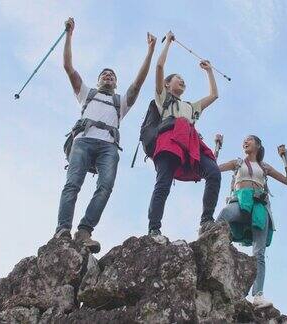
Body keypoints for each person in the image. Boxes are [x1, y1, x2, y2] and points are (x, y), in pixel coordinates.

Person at [55, 17, 157, 253]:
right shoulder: (87, 94)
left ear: (116, 82)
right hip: (83, 140)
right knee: (72, 184)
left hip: (108, 146)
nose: (108, 77)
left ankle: (84, 231)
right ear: (99, 79)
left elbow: (138, 83)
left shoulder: (120, 102)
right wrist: (69, 35)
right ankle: (62, 230)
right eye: (105, 75)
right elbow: (68, 68)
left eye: (112, 76)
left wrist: (150, 51)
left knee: (105, 187)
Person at [147, 31, 221, 237]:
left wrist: (209, 71)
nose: (182, 81)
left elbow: (214, 95)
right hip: (169, 142)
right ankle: (154, 228)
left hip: (190, 144)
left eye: (183, 80)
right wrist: (168, 43)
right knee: (163, 184)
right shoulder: (163, 99)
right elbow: (160, 67)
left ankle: (206, 220)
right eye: (178, 78)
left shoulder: (190, 107)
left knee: (213, 173)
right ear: (167, 85)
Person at [215, 134, 287, 309]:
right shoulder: (238, 163)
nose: (245, 141)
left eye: (249, 139)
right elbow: (213, 169)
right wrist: (217, 147)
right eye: (244, 139)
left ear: (257, 145)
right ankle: (213, 254)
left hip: (259, 207)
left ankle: (258, 295)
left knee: (259, 252)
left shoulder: (264, 167)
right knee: (223, 217)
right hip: (240, 201)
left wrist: (285, 158)